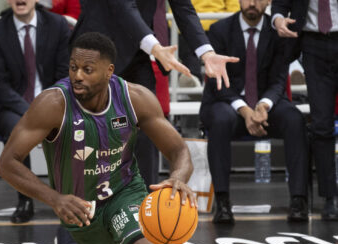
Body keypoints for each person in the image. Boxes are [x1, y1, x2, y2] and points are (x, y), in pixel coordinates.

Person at [0, 32, 256, 244]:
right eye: (74, 67)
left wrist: (179, 177)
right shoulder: (52, 103)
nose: (77, 76)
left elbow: (180, 152)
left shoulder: (135, 98)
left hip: (125, 196)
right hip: (82, 216)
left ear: (109, 71)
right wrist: (54, 198)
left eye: (88, 69)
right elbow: (8, 163)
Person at [71, 0, 239, 188]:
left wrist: (206, 53)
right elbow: (124, 7)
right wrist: (156, 48)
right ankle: (86, 203)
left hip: (137, 51)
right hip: (95, 50)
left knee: (146, 125)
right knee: (92, 130)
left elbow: (183, 8)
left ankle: (144, 200)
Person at [200, 0, 309, 224]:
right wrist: (245, 110)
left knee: (295, 119)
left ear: (268, 1)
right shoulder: (219, 31)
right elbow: (217, 83)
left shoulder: (275, 31)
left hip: (265, 103)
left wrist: (263, 106)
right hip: (229, 102)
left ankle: (299, 200)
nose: (252, 3)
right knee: (220, 120)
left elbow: (279, 79)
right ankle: (222, 202)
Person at [0, 0, 70, 224]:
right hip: (10, 106)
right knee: (17, 128)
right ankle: (26, 199)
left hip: (54, 101)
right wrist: (33, 113)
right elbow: (0, 86)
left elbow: (63, 75)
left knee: (78, 126)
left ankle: (71, 194)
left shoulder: (58, 25)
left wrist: (47, 109)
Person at [271, 0, 338, 220]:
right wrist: (278, 20)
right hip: (312, 44)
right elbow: (279, 6)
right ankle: (330, 197)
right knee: (321, 124)